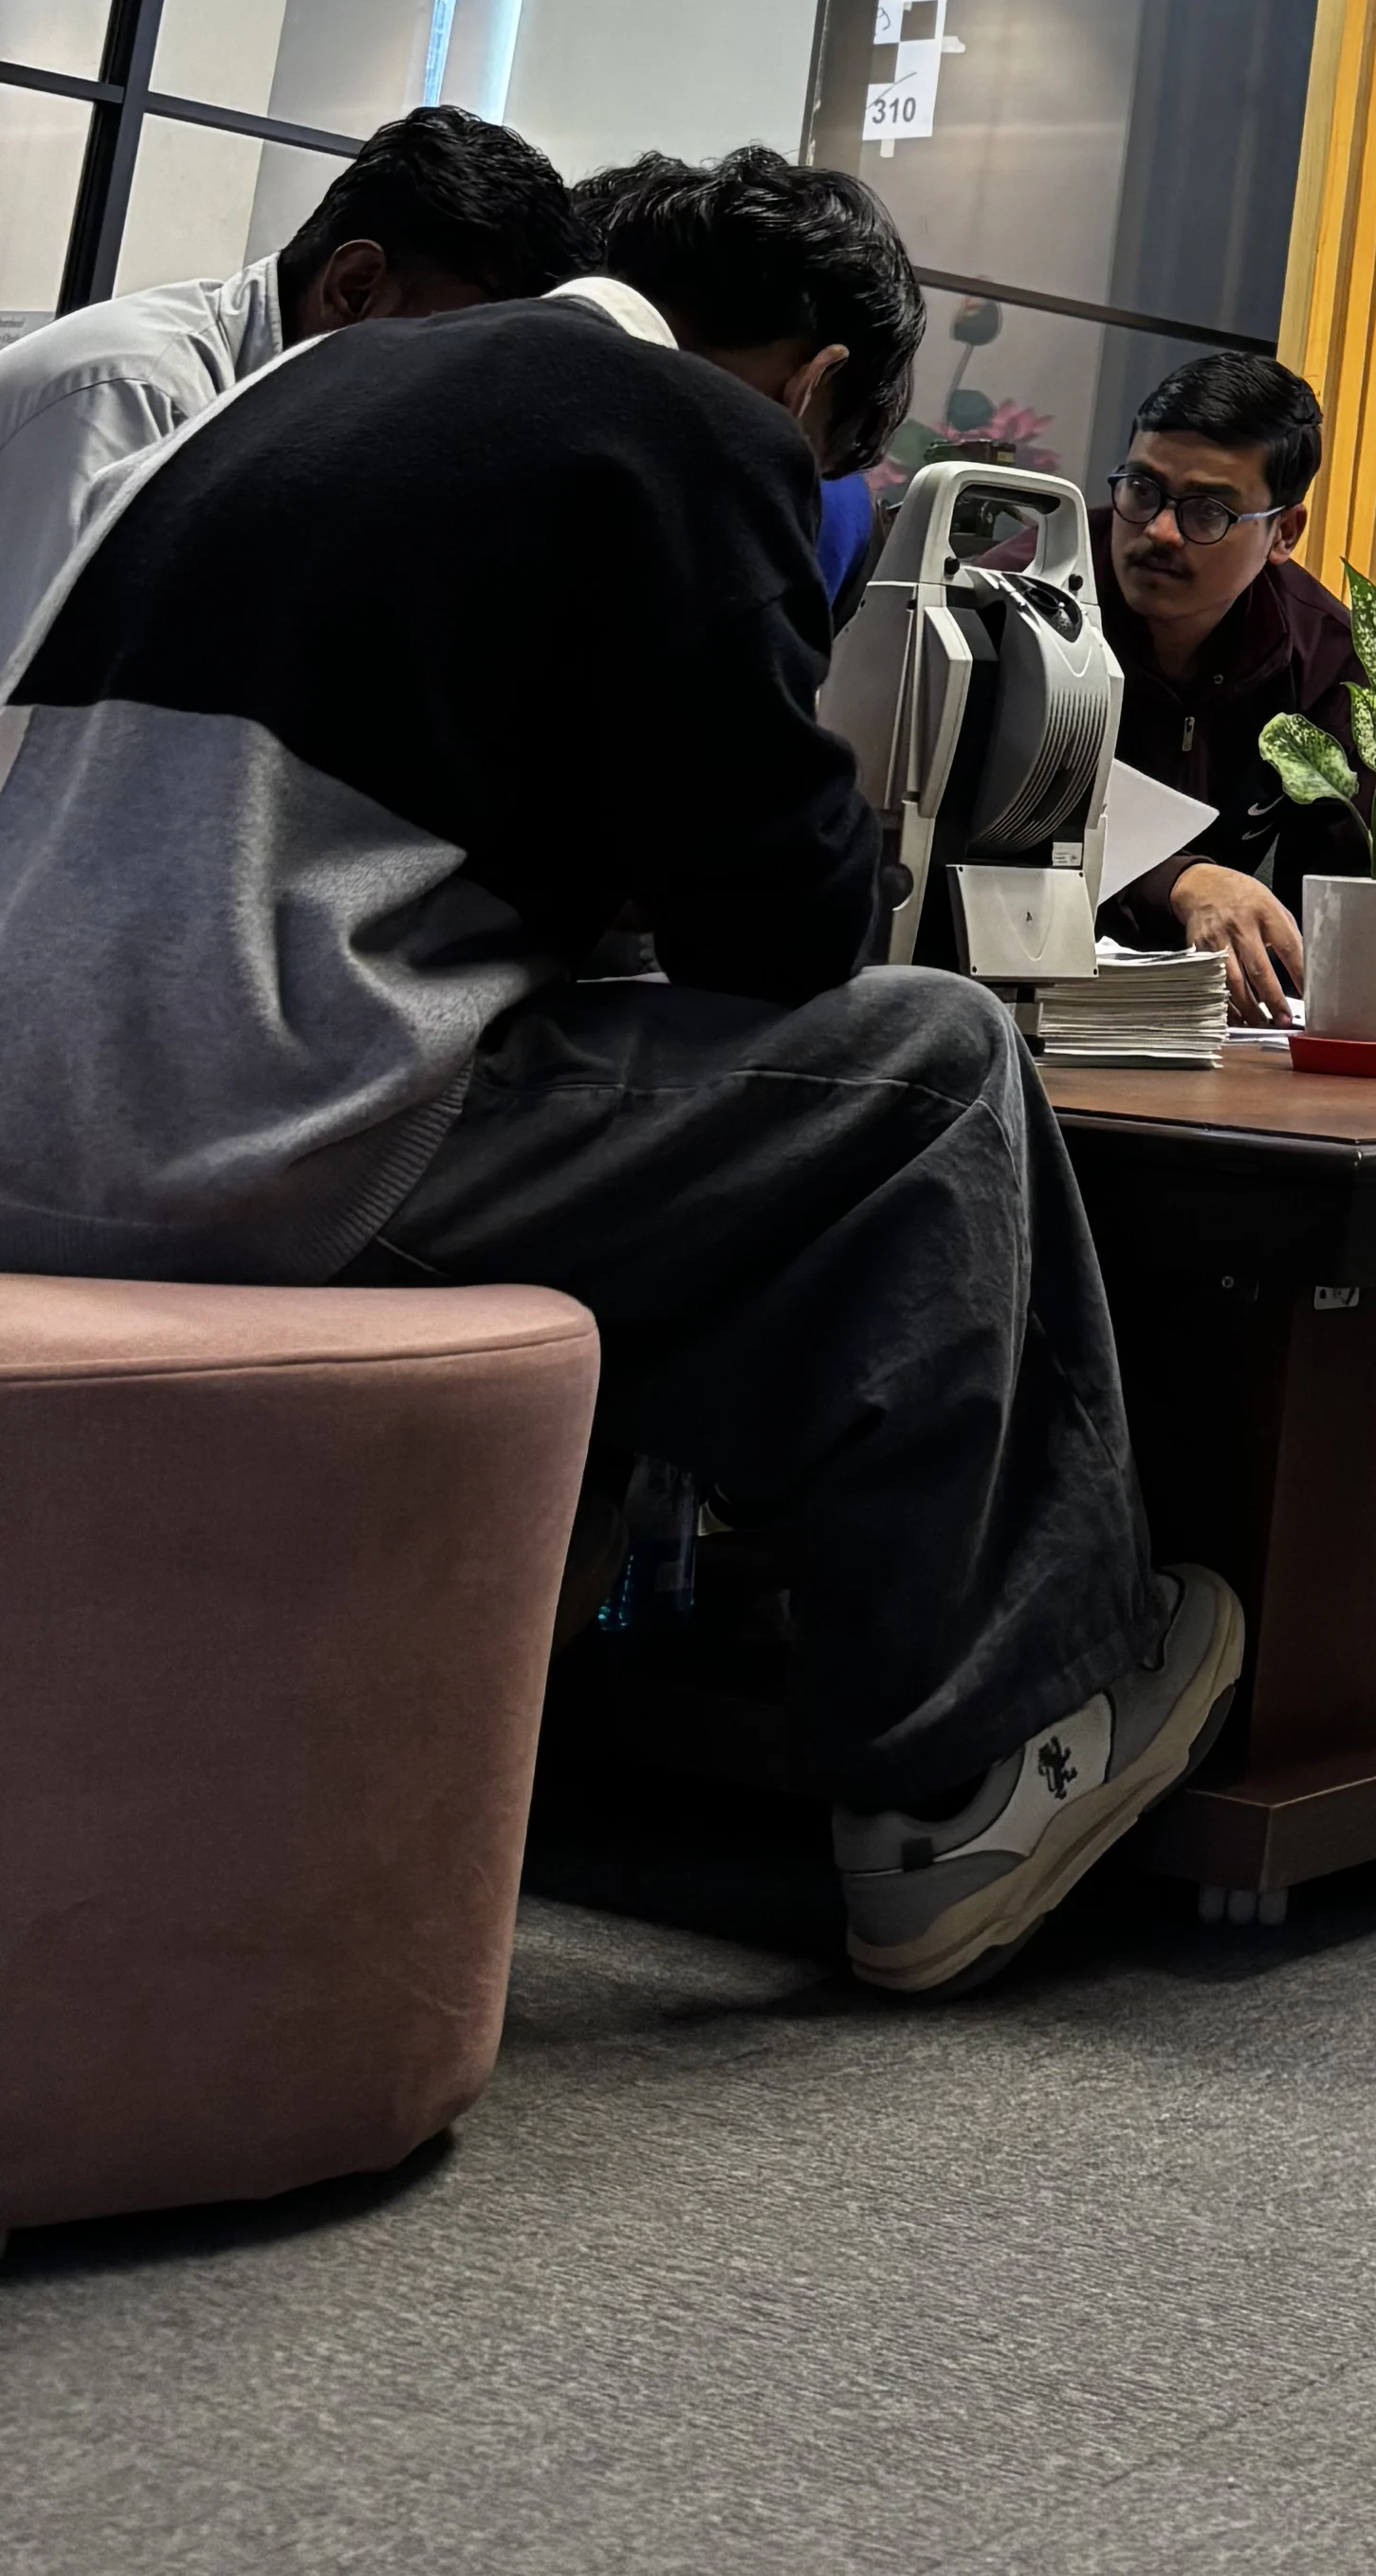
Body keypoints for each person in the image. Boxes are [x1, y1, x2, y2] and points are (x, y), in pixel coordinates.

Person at [0, 139, 1240, 1995]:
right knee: (933, 1074)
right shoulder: (679, 430)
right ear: (817, 386)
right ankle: (973, 1767)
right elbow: (790, 929)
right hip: (264, 1142)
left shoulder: (301, 388)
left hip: (40, 1133)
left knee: (695, 1103)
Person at [0, 101, 574, 683]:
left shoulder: (298, 414)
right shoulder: (138, 395)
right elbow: (43, 716)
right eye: (462, 347)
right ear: (355, 288)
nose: (468, 396)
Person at [1095, 347, 1358, 1028]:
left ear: (1284, 532)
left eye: (1207, 512)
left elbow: (1349, 873)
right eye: (1141, 489)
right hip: (1033, 977)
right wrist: (1180, 879)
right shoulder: (1029, 596)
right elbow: (983, 824)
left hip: (1212, 1012)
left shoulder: (1321, 650)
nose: (1157, 531)